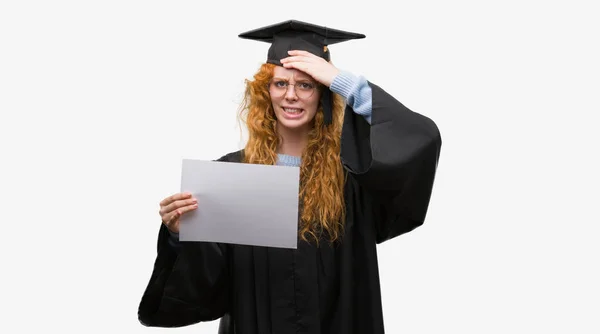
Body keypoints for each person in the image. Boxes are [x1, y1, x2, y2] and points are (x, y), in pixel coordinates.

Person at [138, 19, 442, 334]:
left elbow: (420, 140)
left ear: (323, 94)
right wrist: (180, 234)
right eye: (281, 83)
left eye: (306, 84)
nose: (291, 95)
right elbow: (206, 285)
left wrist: (346, 83)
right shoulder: (233, 177)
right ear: (265, 92)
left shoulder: (352, 177)